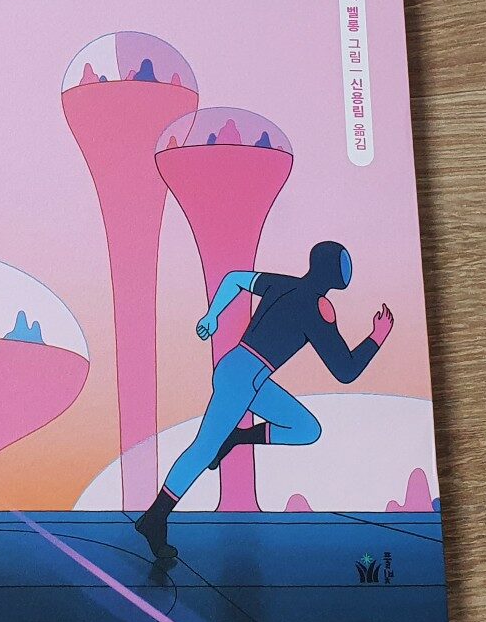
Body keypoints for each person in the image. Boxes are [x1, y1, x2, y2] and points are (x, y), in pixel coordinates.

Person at [135, 240, 394, 563]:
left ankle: (237, 437)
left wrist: (213, 316)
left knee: (306, 428)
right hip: (242, 380)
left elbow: (234, 278)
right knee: (203, 449)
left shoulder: (283, 283)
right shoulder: (319, 308)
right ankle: (155, 518)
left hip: (241, 373)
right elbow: (346, 371)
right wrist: (377, 337)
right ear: (336, 273)